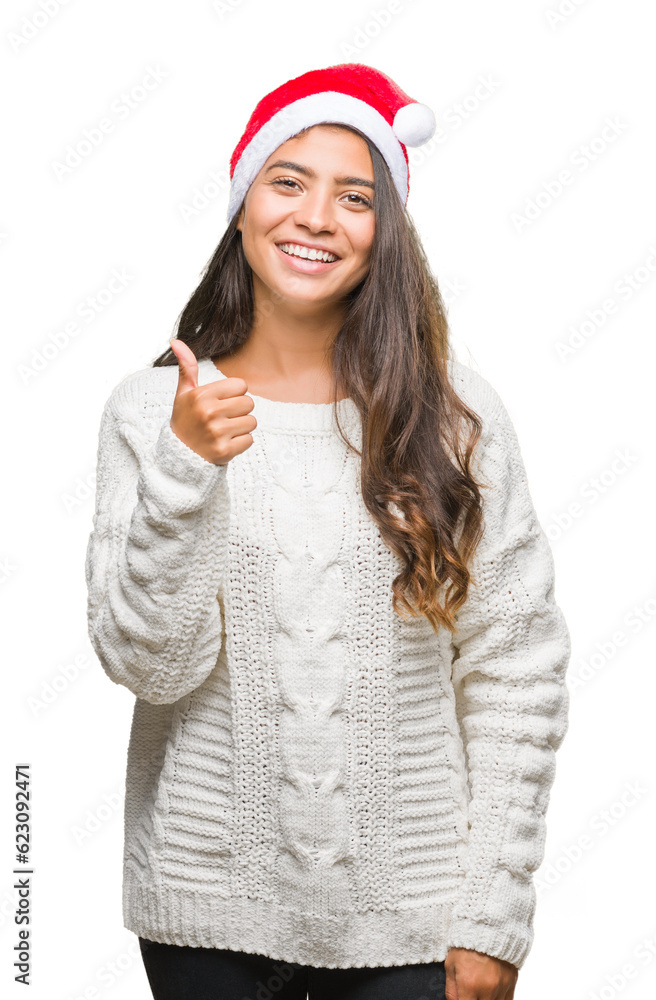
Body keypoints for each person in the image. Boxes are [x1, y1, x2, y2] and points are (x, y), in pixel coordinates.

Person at [84, 63, 571, 1000]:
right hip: (205, 919)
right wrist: (188, 468)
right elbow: (150, 666)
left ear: (385, 233)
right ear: (240, 206)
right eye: (288, 181)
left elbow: (516, 668)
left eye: (355, 196)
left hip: (416, 928)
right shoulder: (152, 411)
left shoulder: (457, 416)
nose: (317, 217)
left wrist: (494, 913)